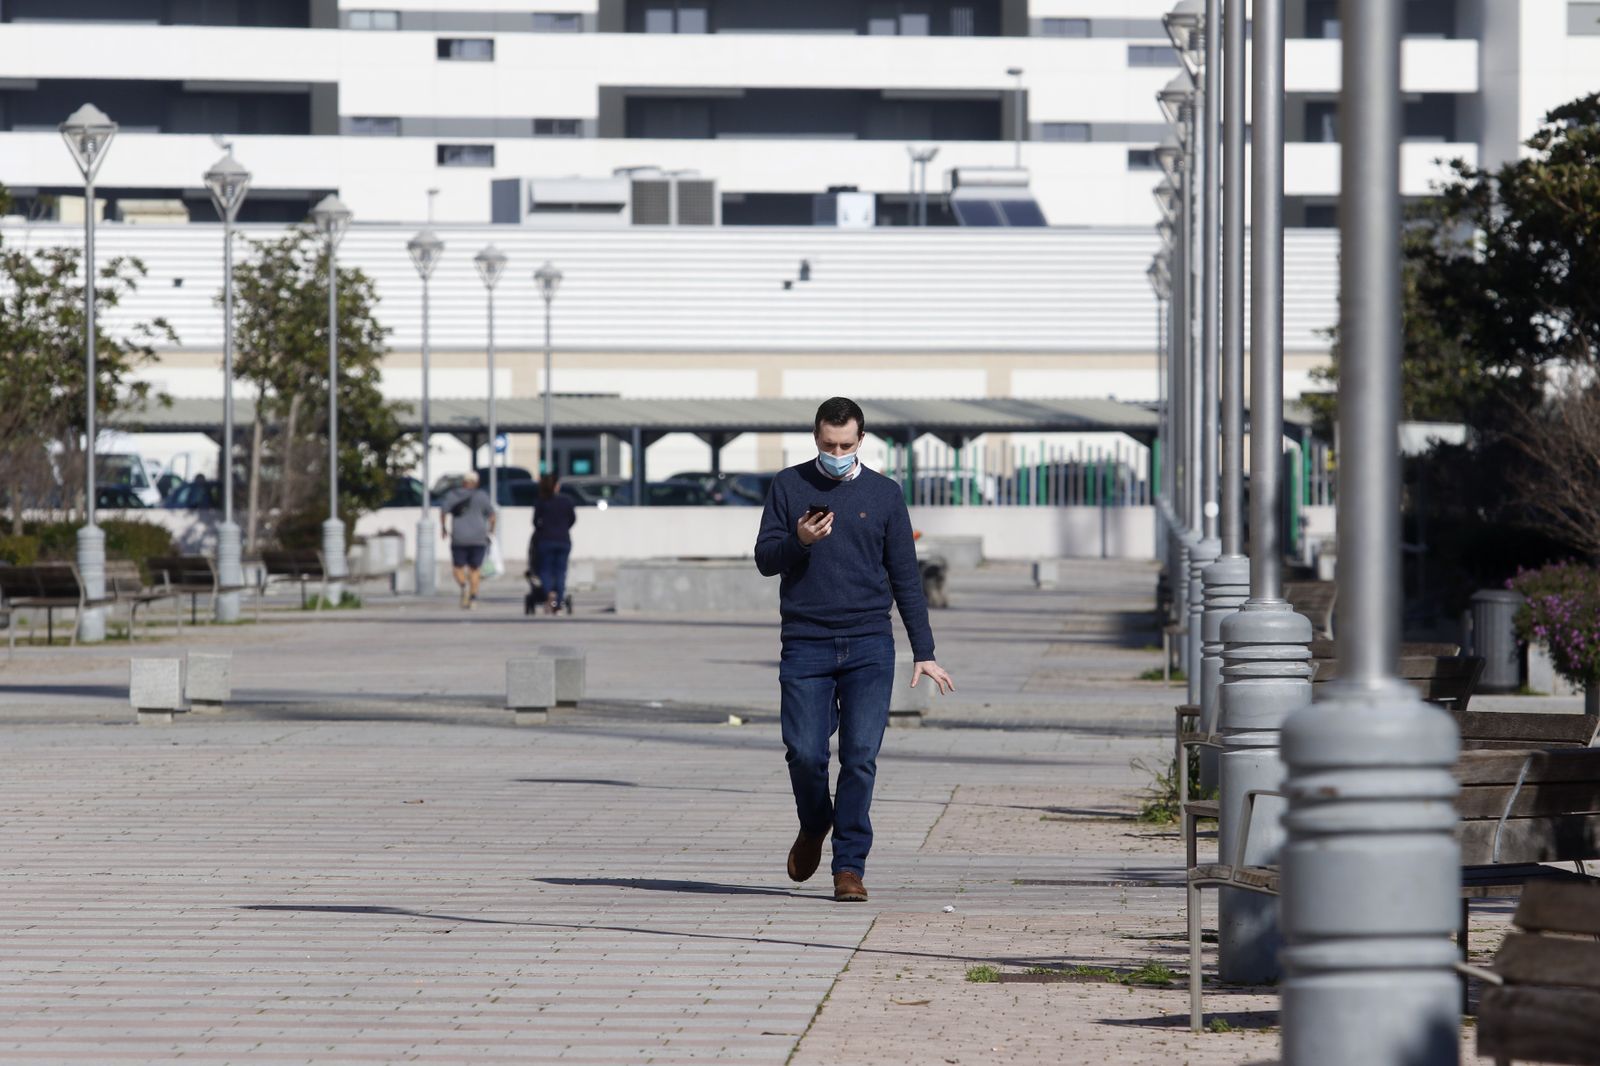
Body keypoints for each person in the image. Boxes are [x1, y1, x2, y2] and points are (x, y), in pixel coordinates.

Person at [754, 396, 955, 903]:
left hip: (869, 643)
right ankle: (815, 821)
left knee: (861, 757)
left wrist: (924, 651)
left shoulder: (884, 494)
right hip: (805, 642)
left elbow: (906, 578)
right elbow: (764, 558)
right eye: (828, 444)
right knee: (804, 752)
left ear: (861, 440)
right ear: (815, 439)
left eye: (845, 444)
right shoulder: (788, 485)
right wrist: (798, 539)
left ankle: (849, 867)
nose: (837, 452)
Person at [438, 471, 496, 609]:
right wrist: (491, 530)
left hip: (459, 537)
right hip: (478, 538)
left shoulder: (453, 495)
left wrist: (444, 528)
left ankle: (463, 586)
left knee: (457, 568)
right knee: (475, 569)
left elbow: (443, 511)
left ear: (463, 482)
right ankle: (473, 597)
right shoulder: (481, 495)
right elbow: (492, 515)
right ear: (476, 482)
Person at [531, 473, 577, 615]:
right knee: (560, 571)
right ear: (556, 486)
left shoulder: (541, 501)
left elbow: (535, 521)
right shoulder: (566, 501)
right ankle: (559, 600)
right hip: (563, 540)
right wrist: (563, 528)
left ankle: (549, 593)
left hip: (545, 539)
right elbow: (572, 519)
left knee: (545, 570)